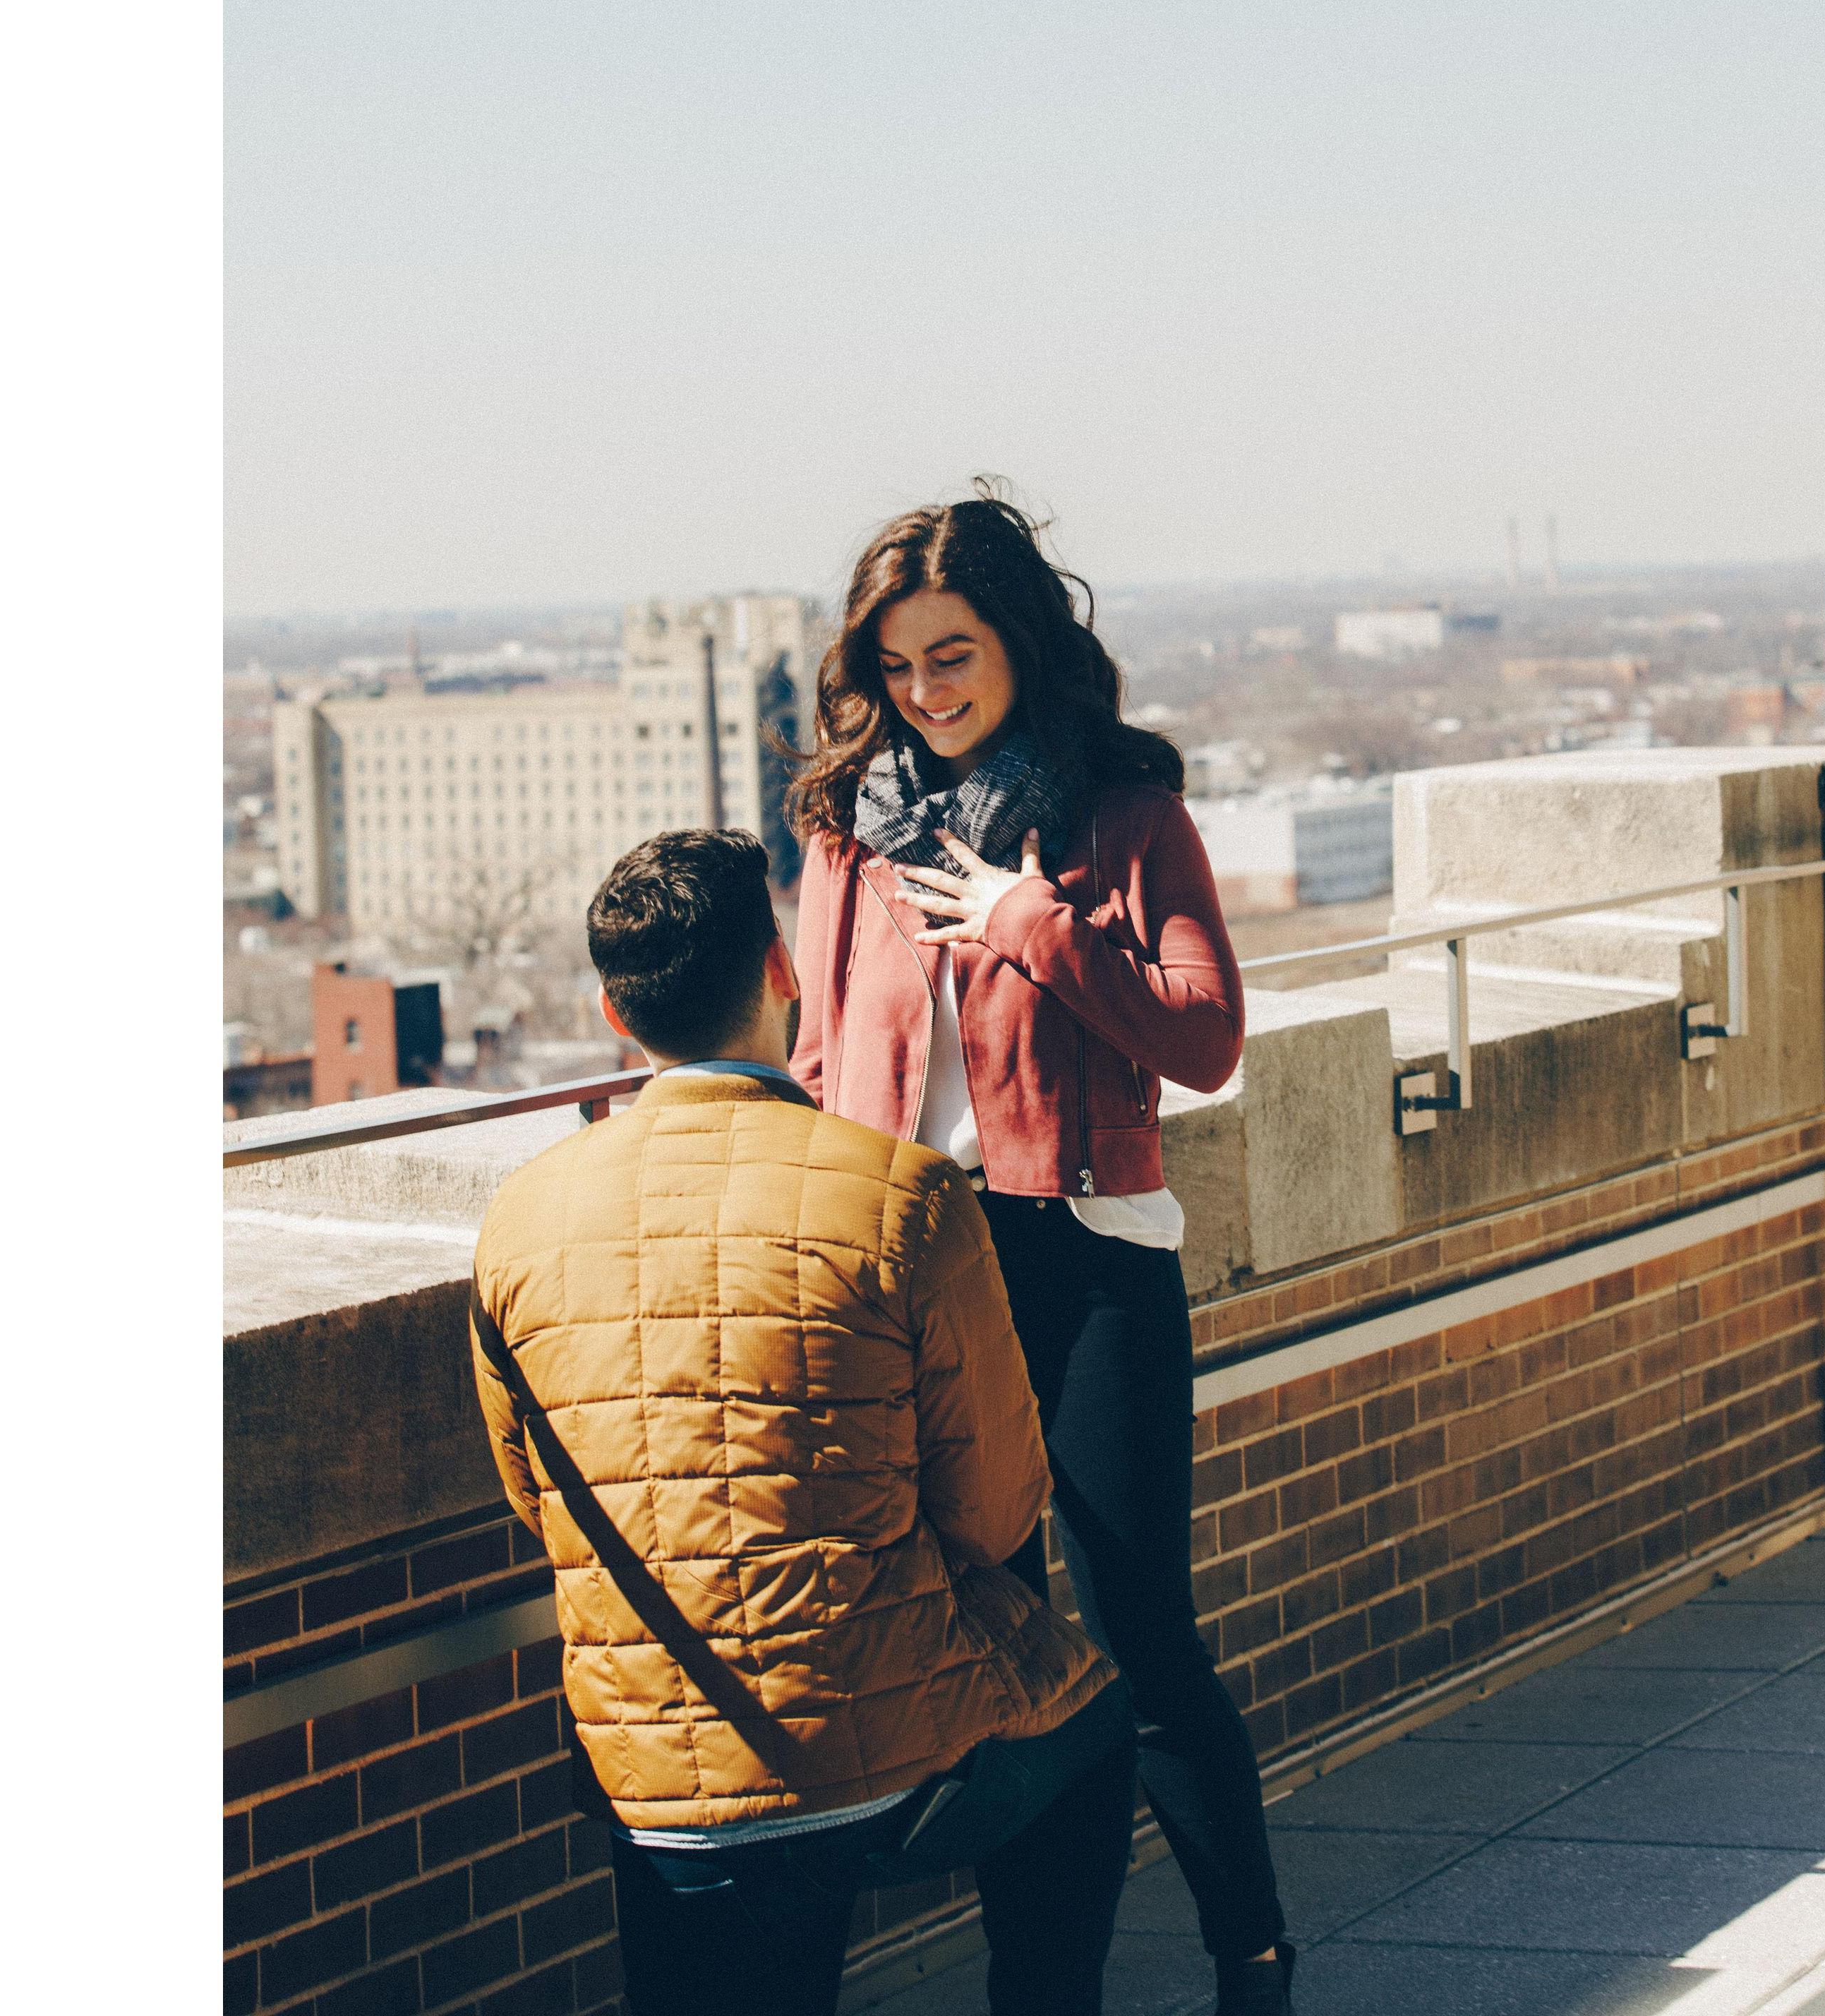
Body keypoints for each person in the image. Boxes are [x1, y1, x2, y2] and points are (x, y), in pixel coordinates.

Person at [470, 827, 1136, 2016]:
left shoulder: (521, 1217)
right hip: (866, 1746)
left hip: (648, 1763)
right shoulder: (902, 1193)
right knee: (1089, 1726)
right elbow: (997, 1509)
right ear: (782, 973)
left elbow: (537, 1492)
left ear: (617, 1017)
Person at [788, 486, 1296, 2010]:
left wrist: (1030, 918)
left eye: (954, 655)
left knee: (1143, 1644)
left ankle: (1251, 1955)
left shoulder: (1121, 815)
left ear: (1018, 641)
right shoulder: (847, 840)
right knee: (996, 1658)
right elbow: (823, 1064)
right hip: (916, 1269)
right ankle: (1044, 1989)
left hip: (1082, 1267)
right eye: (898, 668)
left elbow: (1205, 1038)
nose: (927, 693)